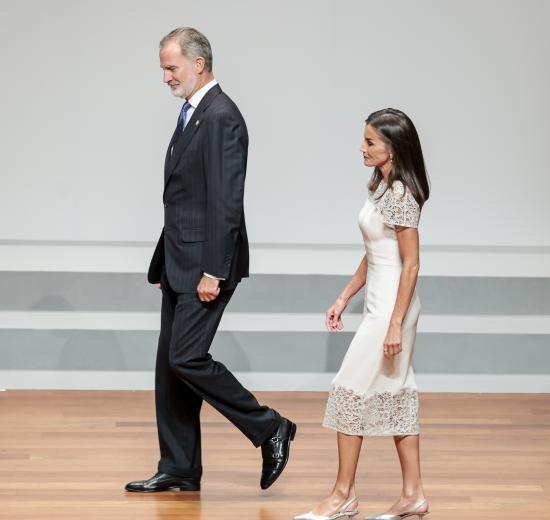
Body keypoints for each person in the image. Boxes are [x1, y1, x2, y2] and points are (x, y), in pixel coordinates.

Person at [125, 27, 295, 493]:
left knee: (186, 356)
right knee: (169, 367)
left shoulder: (222, 116)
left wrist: (214, 271)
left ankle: (269, 427)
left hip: (207, 265)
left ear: (198, 63)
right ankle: (179, 467)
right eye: (163, 67)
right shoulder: (191, 114)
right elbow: (183, 198)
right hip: (180, 262)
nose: (165, 76)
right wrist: (164, 263)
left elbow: (225, 202)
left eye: (170, 66)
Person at [295, 108, 430, 520]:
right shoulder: (383, 189)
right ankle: (413, 495)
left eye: (370, 141)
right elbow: (374, 254)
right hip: (379, 303)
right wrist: (344, 297)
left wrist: (393, 323)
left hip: (393, 308)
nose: (362, 147)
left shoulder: (403, 195)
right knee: (395, 392)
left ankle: (342, 495)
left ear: (393, 148)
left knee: (348, 388)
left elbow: (411, 265)